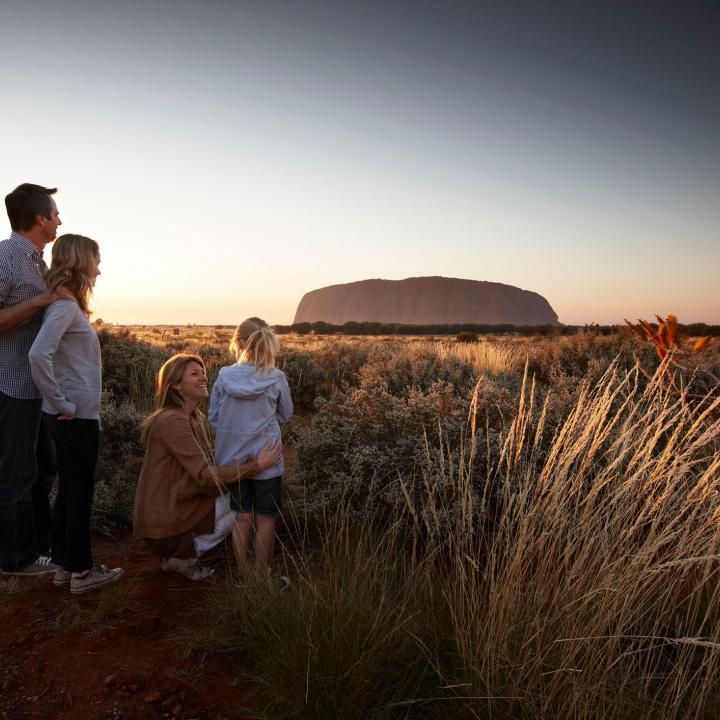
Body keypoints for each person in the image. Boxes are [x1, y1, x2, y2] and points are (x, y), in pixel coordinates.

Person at [29, 233, 124, 594]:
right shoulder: (65, 308)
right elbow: (39, 355)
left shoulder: (66, 305)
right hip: (74, 417)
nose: (99, 269)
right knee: (79, 493)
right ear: (82, 262)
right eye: (96, 260)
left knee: (70, 490)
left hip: (69, 415)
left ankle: (65, 567)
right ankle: (83, 572)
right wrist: (62, 402)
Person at [133, 353, 282, 581]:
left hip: (175, 508)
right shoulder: (172, 420)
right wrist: (256, 465)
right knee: (238, 505)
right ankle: (183, 556)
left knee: (237, 498)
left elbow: (203, 465)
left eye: (203, 372)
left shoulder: (192, 418)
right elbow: (205, 475)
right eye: (195, 374)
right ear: (176, 385)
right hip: (164, 524)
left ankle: (180, 554)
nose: (203, 377)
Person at [0, 183, 67, 576]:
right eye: (56, 213)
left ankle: (40, 549)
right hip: (11, 387)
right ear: (40, 218)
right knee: (16, 474)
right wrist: (40, 301)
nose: (60, 219)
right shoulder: (7, 256)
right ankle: (14, 560)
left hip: (35, 387)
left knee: (43, 470)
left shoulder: (39, 262)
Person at [208, 317, 293, 580]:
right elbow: (286, 415)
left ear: (239, 342)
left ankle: (243, 575)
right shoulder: (276, 378)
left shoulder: (224, 376)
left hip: (233, 462)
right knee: (266, 518)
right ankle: (261, 577)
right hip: (268, 458)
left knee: (241, 517)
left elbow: (214, 417)